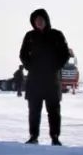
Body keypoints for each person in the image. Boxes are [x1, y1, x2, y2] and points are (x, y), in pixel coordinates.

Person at [20, 9, 71, 145]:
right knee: (34, 111)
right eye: (36, 20)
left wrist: (56, 66)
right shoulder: (29, 36)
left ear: (46, 20)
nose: (39, 22)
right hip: (34, 80)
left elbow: (65, 53)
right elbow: (23, 55)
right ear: (33, 22)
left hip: (51, 79)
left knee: (53, 110)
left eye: (41, 20)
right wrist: (29, 66)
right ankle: (33, 136)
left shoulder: (56, 35)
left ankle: (55, 137)